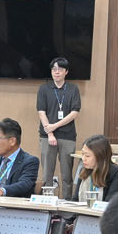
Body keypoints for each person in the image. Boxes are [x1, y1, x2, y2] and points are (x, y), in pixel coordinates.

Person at [36, 57, 82, 194]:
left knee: (67, 174)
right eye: (54, 69)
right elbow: (41, 112)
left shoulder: (73, 89)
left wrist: (54, 126)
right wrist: (50, 133)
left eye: (60, 69)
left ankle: (67, 202)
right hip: (47, 136)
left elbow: (74, 113)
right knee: (47, 174)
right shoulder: (44, 89)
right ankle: (47, 202)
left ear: (66, 72)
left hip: (67, 135)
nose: (56, 72)